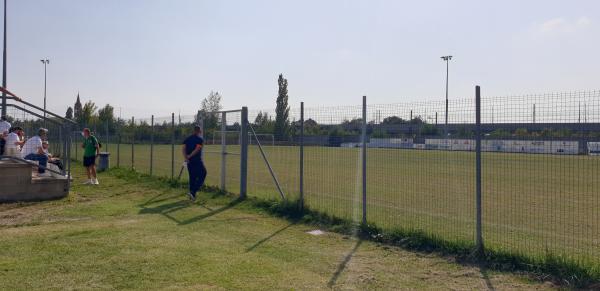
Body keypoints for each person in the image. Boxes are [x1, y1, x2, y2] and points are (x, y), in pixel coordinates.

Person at [182, 125, 207, 201]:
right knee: (203, 173)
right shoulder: (200, 139)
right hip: (197, 161)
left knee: (192, 177)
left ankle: (192, 195)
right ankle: (193, 192)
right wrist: (189, 156)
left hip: (189, 162)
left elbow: (183, 149)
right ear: (199, 131)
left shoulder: (187, 139)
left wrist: (186, 157)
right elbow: (197, 149)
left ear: (193, 131)